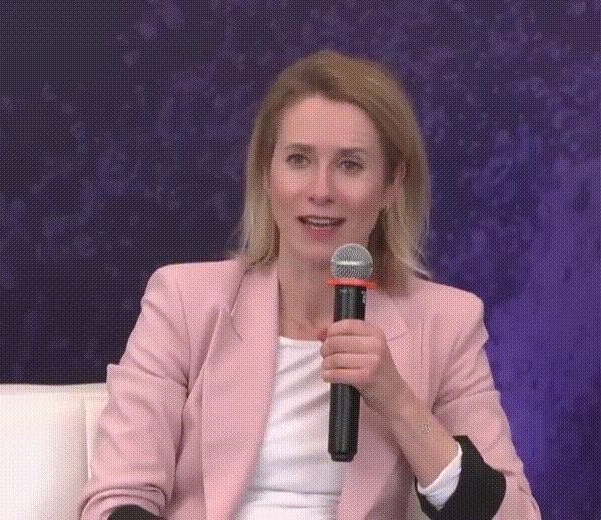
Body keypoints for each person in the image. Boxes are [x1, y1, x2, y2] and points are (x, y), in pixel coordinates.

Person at [79, 49, 541, 519]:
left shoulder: (445, 323)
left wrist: (398, 402)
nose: (321, 191)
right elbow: (118, 499)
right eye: (299, 160)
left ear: (392, 184)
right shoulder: (184, 301)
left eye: (350, 165)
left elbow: (516, 515)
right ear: (267, 173)